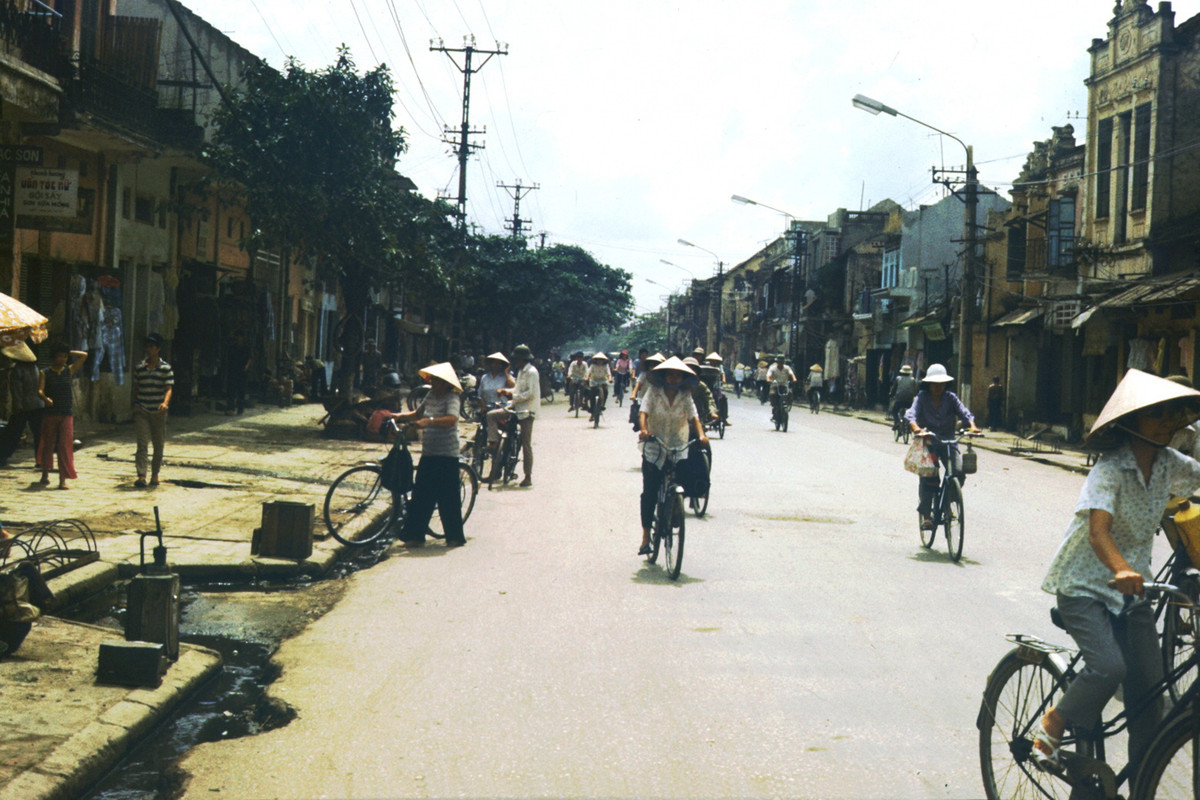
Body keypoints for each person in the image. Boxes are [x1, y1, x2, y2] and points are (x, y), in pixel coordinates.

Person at [1033, 369, 1200, 775]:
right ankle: (1055, 720)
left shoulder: (1168, 465)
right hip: (1085, 586)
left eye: (1170, 414)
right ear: (1131, 422)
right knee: (1110, 668)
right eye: (1155, 414)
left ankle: (1141, 781)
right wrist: (1122, 569)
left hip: (1133, 591)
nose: (1165, 422)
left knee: (1150, 695)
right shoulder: (1109, 469)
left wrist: (1131, 575)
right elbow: (1098, 531)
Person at [637, 356, 708, 555]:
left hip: (678, 443)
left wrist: (701, 434)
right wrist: (643, 430)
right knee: (649, 492)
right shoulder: (654, 392)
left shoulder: (685, 395)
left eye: (678, 376)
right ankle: (645, 537)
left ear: (683, 378)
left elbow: (694, 417)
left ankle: (676, 507)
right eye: (671, 375)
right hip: (655, 445)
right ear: (664, 376)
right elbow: (644, 412)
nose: (674, 379)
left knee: (683, 479)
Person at [392, 362, 466, 549]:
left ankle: (454, 536)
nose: (433, 384)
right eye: (432, 380)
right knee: (421, 495)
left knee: (448, 497)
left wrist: (430, 421)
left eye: (437, 381)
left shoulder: (452, 398)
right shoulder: (430, 395)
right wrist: (398, 416)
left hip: (446, 453)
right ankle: (415, 535)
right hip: (429, 452)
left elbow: (451, 419)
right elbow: (418, 414)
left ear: (446, 383)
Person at [904, 363, 980, 530]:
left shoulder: (951, 398)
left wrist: (972, 426)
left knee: (959, 472)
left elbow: (964, 412)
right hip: (929, 442)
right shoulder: (922, 397)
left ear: (945, 384)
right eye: (934, 384)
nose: (938, 387)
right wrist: (916, 429)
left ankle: (947, 503)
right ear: (929, 384)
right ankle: (926, 516)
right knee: (929, 477)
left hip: (948, 442)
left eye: (941, 384)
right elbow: (911, 414)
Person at [36, 342, 87, 489]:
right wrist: (46, 399)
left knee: (65, 446)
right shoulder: (45, 372)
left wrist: (68, 351)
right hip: (51, 413)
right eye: (59, 356)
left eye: (64, 357)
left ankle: (62, 480)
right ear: (54, 357)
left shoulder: (69, 370)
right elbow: (40, 390)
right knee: (48, 444)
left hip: (66, 412)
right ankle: (45, 474)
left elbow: (84, 356)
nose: (62, 359)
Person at [132, 332, 174, 489]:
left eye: (152, 347)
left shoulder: (166, 368)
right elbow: (137, 387)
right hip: (142, 408)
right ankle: (141, 475)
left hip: (158, 410)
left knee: (158, 444)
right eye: (147, 347)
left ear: (158, 349)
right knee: (142, 443)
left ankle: (155, 474)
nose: (149, 350)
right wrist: (135, 404)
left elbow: (168, 388)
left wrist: (165, 403)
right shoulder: (140, 368)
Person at [497, 344, 539, 487]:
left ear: (522, 359)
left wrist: (512, 394)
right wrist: (507, 391)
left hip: (527, 411)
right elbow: (517, 389)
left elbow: (530, 393)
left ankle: (528, 475)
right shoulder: (521, 371)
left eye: (517, 359)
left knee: (526, 443)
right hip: (515, 407)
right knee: (495, 419)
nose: (515, 362)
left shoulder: (532, 372)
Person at [0, 340, 43, 466]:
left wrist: (17, 407)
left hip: (23, 407)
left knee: (12, 434)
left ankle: (2, 456)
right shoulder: (34, 368)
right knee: (38, 434)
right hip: (38, 405)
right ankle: (40, 460)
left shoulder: (17, 370)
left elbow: (17, 391)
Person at [225, 330, 251, 416]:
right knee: (231, 390)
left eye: (240, 337)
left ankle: (240, 409)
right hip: (233, 370)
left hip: (242, 371)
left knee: (241, 391)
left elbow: (250, 358)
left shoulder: (246, 347)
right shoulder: (232, 347)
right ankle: (231, 408)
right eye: (237, 337)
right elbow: (229, 359)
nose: (239, 339)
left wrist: (246, 367)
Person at [766, 355, 797, 424]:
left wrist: (794, 379)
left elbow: (792, 374)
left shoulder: (787, 368)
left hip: (784, 386)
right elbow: (768, 375)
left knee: (790, 393)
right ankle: (775, 407)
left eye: (782, 362)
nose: (780, 363)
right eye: (779, 362)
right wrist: (768, 380)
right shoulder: (772, 368)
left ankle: (787, 404)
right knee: (772, 394)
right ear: (777, 362)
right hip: (775, 386)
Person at [586, 352, 612, 421]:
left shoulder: (606, 366)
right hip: (594, 381)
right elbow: (589, 373)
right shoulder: (593, 365)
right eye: (598, 360)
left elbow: (608, 374)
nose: (599, 361)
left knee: (605, 391)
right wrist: (587, 378)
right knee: (592, 395)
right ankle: (592, 412)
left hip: (603, 381)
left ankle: (602, 405)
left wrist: (610, 379)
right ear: (596, 360)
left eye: (601, 360)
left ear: (603, 360)